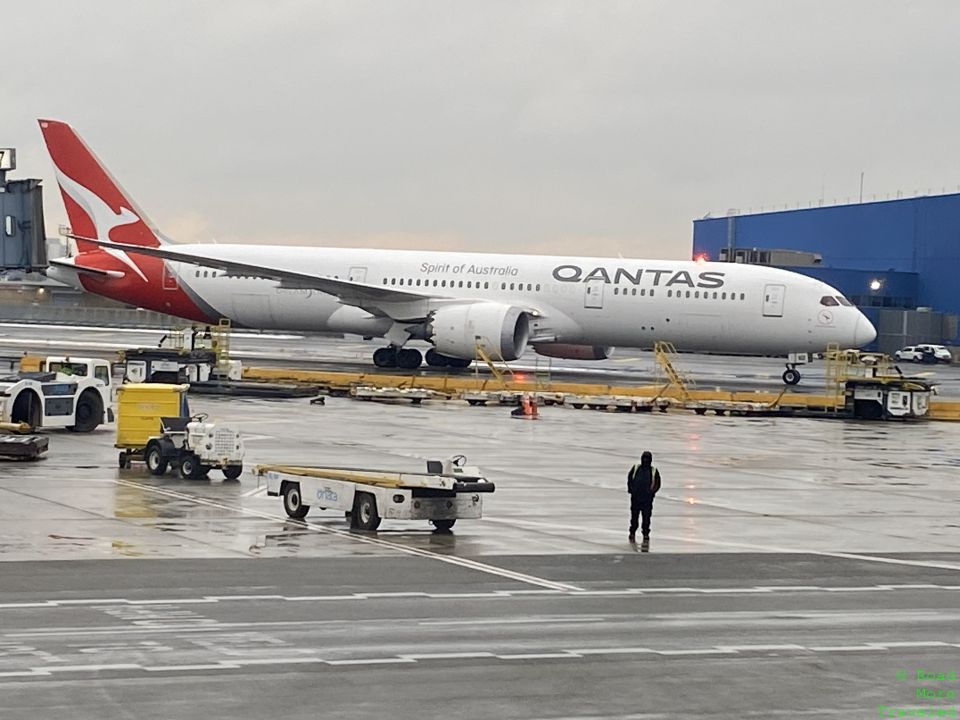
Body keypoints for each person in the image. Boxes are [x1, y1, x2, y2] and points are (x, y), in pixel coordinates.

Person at [627, 450, 661, 542]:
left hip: (647, 499)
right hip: (635, 498)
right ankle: (632, 532)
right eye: (644, 458)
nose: (645, 460)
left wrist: (651, 493)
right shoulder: (636, 468)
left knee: (646, 518)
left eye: (647, 458)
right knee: (634, 517)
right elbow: (630, 478)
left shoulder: (654, 471)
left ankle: (645, 533)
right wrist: (631, 490)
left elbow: (657, 483)